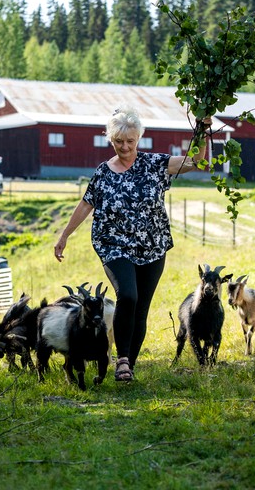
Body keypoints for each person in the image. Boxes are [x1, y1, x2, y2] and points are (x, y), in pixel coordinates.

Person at [54, 105, 210, 382]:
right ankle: (121, 358)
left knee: (140, 308)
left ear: (138, 139)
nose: (124, 147)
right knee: (127, 295)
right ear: (110, 140)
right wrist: (65, 235)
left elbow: (196, 162)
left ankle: (128, 366)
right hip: (113, 244)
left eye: (130, 141)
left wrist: (202, 130)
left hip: (152, 245)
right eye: (118, 141)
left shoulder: (155, 164)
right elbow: (86, 203)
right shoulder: (103, 172)